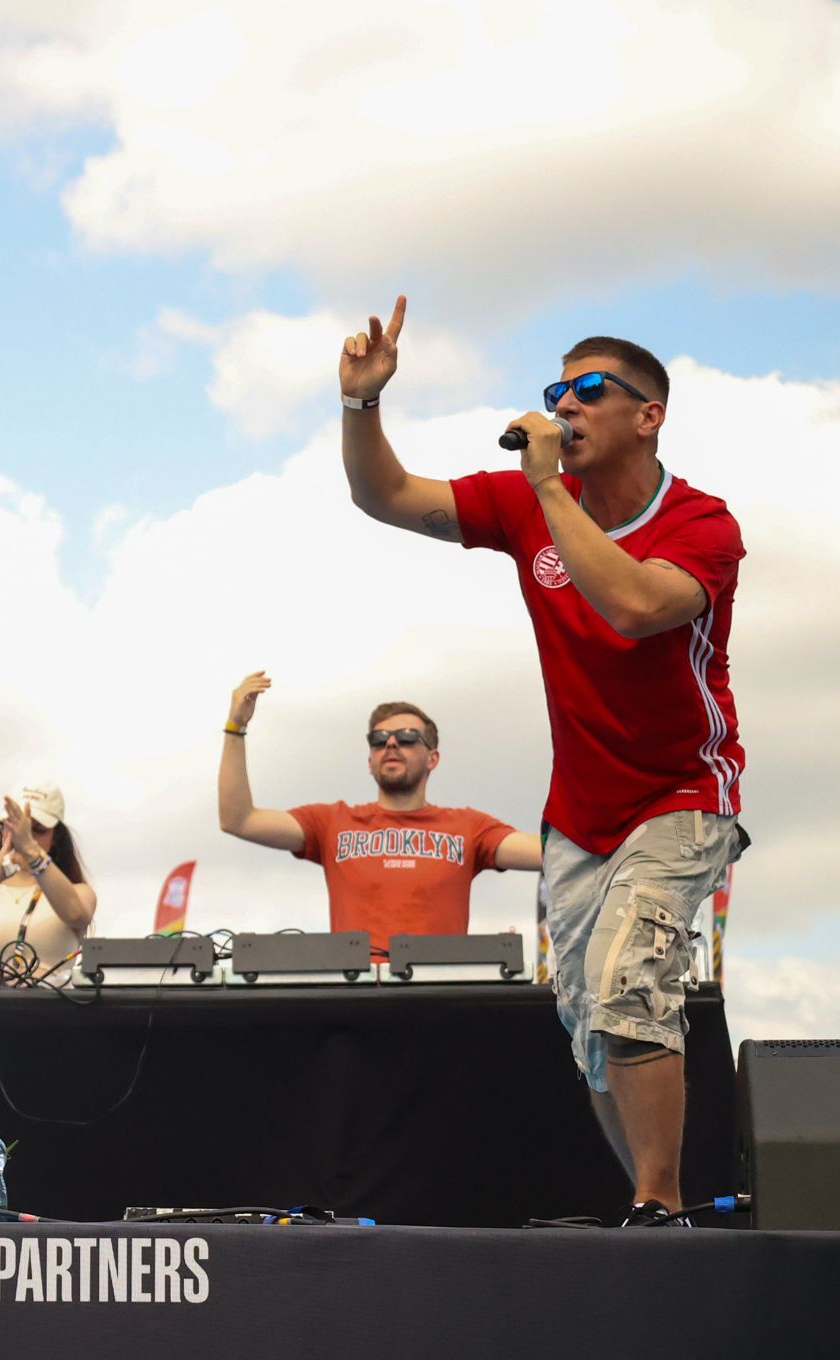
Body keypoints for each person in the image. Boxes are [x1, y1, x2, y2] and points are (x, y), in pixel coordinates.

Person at [337, 295, 745, 1227]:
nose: (564, 403)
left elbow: (634, 607)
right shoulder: (523, 501)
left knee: (630, 981)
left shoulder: (700, 523)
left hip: (682, 792)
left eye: (590, 389)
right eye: (556, 389)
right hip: (579, 808)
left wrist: (552, 490)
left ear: (649, 414)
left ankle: (661, 1205)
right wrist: (362, 403)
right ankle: (651, 1212)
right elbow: (384, 495)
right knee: (588, 1019)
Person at [217, 673, 540, 952]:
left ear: (433, 758)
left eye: (407, 738)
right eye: (378, 740)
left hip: (439, 994)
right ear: (370, 761)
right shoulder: (332, 822)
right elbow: (239, 820)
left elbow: (547, 854)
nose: (391, 744)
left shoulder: (469, 826)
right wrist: (235, 727)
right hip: (357, 995)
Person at [0, 783, 97, 984]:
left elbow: (76, 915)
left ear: (55, 837)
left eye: (37, 830)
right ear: (2, 831)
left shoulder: (79, 893)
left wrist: (33, 854)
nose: (24, 837)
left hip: (49, 1000)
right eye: (16, 827)